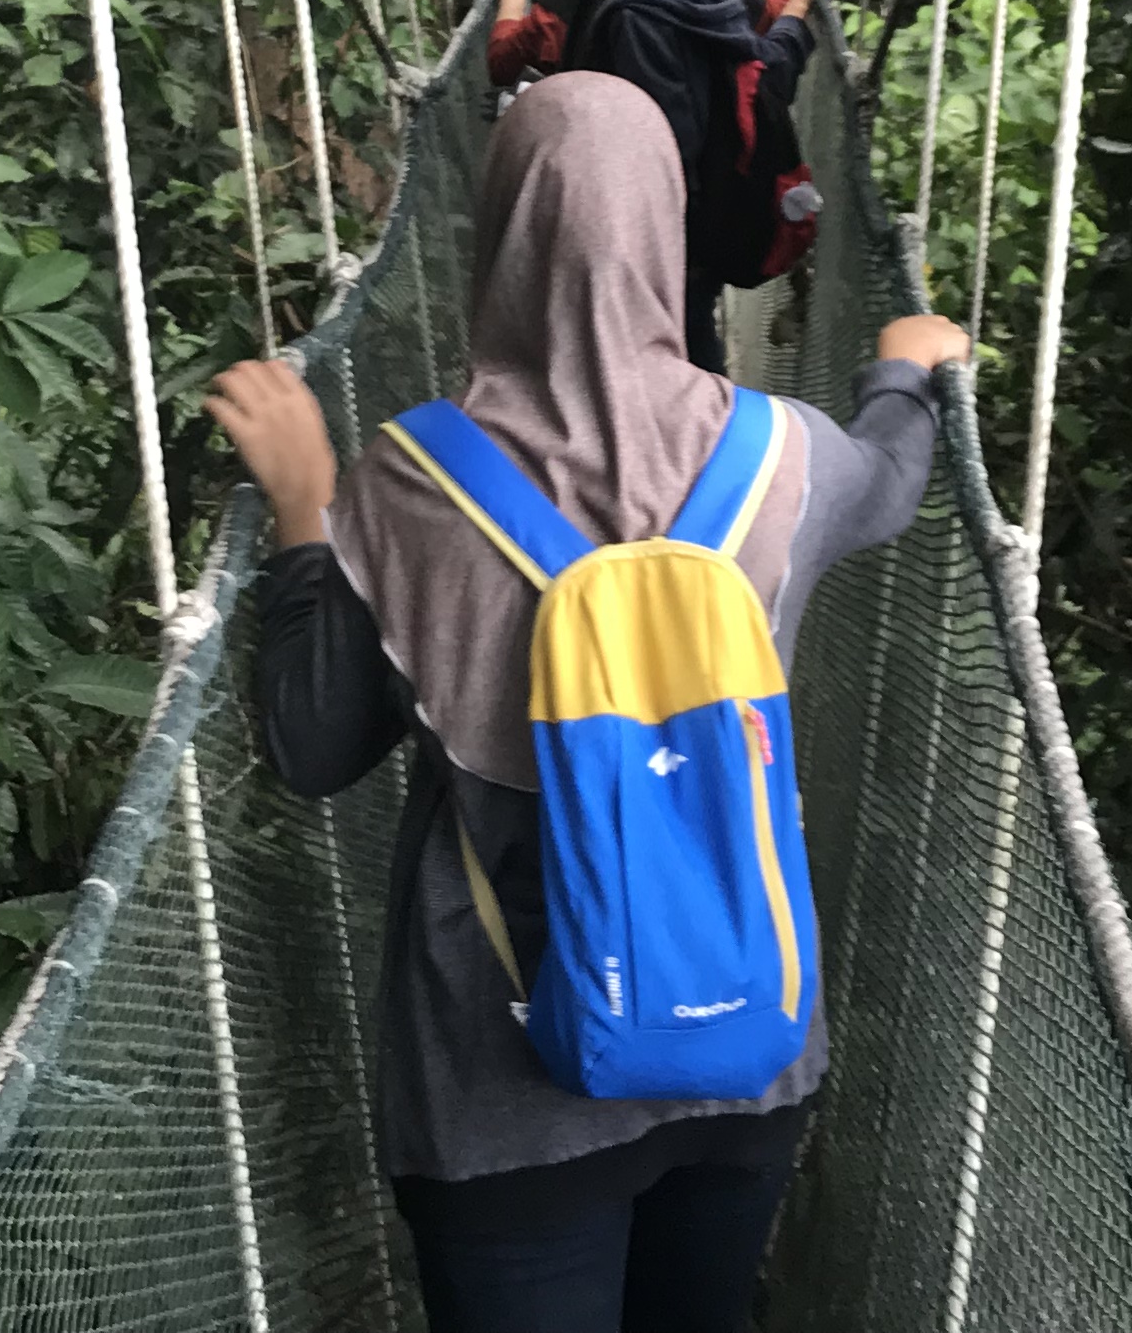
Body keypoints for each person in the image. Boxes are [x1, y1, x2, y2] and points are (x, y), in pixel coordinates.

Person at [202, 77, 972, 1333]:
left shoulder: (410, 485)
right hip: (746, 1050)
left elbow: (315, 741)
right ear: (667, 233)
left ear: (496, 228)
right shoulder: (783, 456)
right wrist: (901, 373)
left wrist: (307, 513)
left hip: (504, 1102)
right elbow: (888, 484)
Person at [481, 0, 826, 369]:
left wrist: (647, 257)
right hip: (712, 224)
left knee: (666, 358)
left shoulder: (636, 13)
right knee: (692, 346)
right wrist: (795, 7)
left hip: (663, 242)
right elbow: (760, 70)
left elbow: (662, 149)